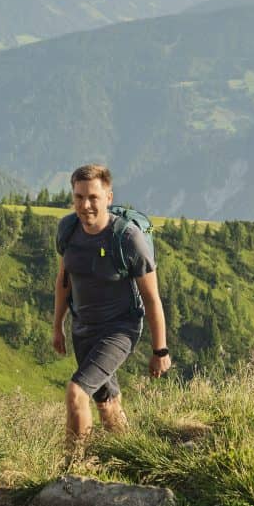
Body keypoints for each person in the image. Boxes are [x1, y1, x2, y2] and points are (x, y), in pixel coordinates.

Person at [49, 163, 168, 458]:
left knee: (77, 392)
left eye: (93, 197)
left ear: (108, 197)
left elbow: (151, 298)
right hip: (83, 328)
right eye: (78, 197)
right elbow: (64, 281)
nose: (85, 205)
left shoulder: (128, 239)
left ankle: (75, 468)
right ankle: (135, 458)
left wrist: (160, 350)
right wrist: (58, 326)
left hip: (119, 329)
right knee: (107, 402)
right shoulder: (68, 230)